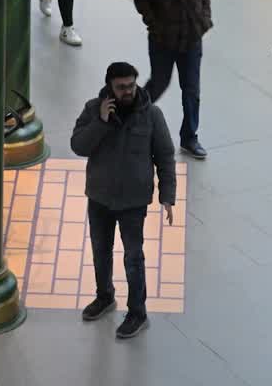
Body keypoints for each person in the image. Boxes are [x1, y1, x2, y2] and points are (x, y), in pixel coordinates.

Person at [71, 62, 176, 340]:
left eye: (131, 85)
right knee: (100, 251)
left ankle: (137, 312)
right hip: (100, 198)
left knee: (133, 257)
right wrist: (101, 123)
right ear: (110, 87)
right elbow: (78, 146)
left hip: (133, 201)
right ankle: (104, 296)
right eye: (121, 87)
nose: (128, 91)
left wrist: (167, 196)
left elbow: (165, 156)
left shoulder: (152, 115)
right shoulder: (94, 109)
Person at [133, 0, 211, 160]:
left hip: (191, 41)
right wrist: (154, 23)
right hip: (162, 42)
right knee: (158, 83)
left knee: (191, 91)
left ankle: (189, 137)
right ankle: (134, 119)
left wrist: (204, 20)